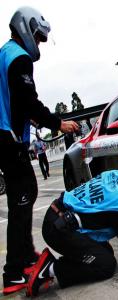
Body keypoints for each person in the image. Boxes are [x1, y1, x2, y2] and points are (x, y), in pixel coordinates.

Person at [0, 6, 79, 295]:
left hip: (5, 135)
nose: (41, 43)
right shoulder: (19, 58)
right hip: (6, 138)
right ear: (27, 29)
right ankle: (14, 272)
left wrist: (26, 116)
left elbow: (16, 101)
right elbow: (28, 101)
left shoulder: (5, 52)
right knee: (22, 198)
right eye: (39, 37)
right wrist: (59, 123)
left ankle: (23, 256)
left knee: (25, 193)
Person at [25, 170, 118, 297]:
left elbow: (112, 212)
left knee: (105, 251)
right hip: (57, 230)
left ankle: (56, 264)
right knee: (106, 265)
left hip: (56, 215)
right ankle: (50, 269)